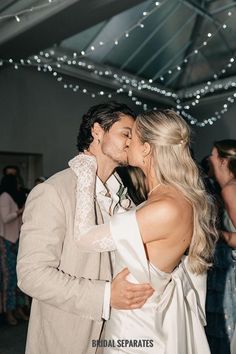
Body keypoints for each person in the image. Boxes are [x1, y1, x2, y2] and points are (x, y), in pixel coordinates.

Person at [73, 109, 218, 353]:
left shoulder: (165, 207)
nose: (128, 142)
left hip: (136, 322)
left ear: (147, 148)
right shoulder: (167, 197)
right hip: (145, 312)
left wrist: (86, 170)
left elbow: (85, 238)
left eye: (133, 136)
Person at [17, 102, 154, 354]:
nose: (131, 142)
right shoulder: (52, 192)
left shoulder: (124, 197)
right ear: (97, 131)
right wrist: (104, 296)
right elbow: (31, 275)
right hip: (69, 334)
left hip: (120, 333)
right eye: (126, 133)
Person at [207, 140, 236, 354]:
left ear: (224, 161)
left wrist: (215, 234)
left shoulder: (230, 190)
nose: (210, 159)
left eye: (213, 155)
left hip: (231, 272)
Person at [0, 174, 29, 325]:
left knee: (18, 277)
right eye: (17, 182)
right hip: (6, 242)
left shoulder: (12, 196)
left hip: (15, 240)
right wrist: (20, 211)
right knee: (9, 279)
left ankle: (18, 308)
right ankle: (8, 312)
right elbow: (5, 218)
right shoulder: (5, 196)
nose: (19, 184)